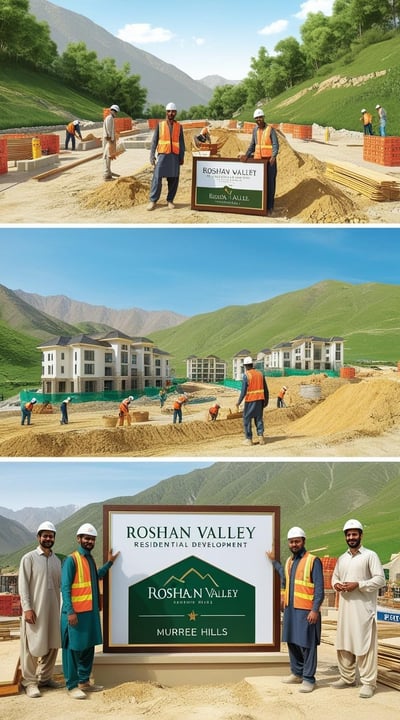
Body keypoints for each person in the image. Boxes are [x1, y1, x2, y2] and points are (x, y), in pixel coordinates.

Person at [61, 523, 120, 699]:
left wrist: (109, 563)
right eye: (86, 538)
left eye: (92, 539)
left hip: (90, 613)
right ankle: (71, 686)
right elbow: (65, 587)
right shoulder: (71, 560)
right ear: (79, 539)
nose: (89, 541)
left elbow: (96, 576)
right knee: (72, 650)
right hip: (75, 615)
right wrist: (70, 611)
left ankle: (84, 682)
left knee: (88, 648)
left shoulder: (89, 559)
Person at [331, 518, 385, 699]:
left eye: (354, 534)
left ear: (361, 535)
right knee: (344, 643)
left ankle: (369, 683)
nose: (351, 537)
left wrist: (359, 584)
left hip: (363, 610)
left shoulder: (370, 556)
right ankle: (347, 678)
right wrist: (337, 585)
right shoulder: (342, 558)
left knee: (365, 645)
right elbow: (335, 578)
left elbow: (380, 580)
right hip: (345, 609)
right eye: (348, 534)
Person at [266, 526, 324, 693]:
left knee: (307, 645)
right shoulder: (290, 561)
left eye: (297, 541)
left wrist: (315, 610)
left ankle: (308, 678)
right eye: (291, 542)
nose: (294, 544)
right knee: (292, 641)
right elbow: (285, 578)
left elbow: (319, 589)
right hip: (291, 609)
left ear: (303, 541)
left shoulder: (313, 561)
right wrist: (273, 562)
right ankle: (297, 673)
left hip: (307, 611)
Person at [19, 521, 63, 698]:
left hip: (53, 610)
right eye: (44, 535)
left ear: (54, 538)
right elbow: (23, 586)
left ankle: (45, 678)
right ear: (38, 537)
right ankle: (29, 682)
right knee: (32, 645)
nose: (48, 538)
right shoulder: (28, 558)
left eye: (51, 536)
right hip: (35, 611)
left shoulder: (57, 560)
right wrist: (27, 608)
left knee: (53, 644)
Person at [240, 108, 279, 215]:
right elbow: (252, 145)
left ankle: (270, 207)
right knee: (260, 184)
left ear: (263, 117)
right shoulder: (255, 130)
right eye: (256, 118)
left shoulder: (270, 129)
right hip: (259, 162)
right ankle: (261, 206)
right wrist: (246, 155)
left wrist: (274, 156)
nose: (258, 119)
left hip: (269, 162)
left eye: (260, 117)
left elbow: (275, 145)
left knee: (270, 184)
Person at [147, 102, 185, 211]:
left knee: (174, 179)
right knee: (157, 178)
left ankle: (170, 200)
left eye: (173, 111)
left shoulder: (179, 127)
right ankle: (153, 200)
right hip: (163, 156)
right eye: (169, 111)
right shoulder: (160, 125)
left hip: (174, 157)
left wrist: (181, 156)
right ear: (166, 112)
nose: (171, 113)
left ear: (176, 113)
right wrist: (152, 156)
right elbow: (154, 141)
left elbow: (181, 143)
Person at [236, 356, 269, 445]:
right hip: (260, 400)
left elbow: (243, 392)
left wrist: (238, 402)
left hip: (250, 400)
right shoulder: (260, 374)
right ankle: (261, 437)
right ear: (252, 364)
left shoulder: (246, 375)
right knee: (258, 418)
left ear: (246, 366)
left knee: (247, 418)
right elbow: (266, 389)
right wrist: (266, 400)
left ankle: (249, 439)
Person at [102, 104, 120, 181]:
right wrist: (111, 141)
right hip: (108, 140)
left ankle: (109, 172)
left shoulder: (110, 118)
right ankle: (107, 175)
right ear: (113, 111)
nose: (116, 114)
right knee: (107, 157)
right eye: (116, 112)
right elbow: (108, 131)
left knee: (108, 157)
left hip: (109, 140)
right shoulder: (109, 118)